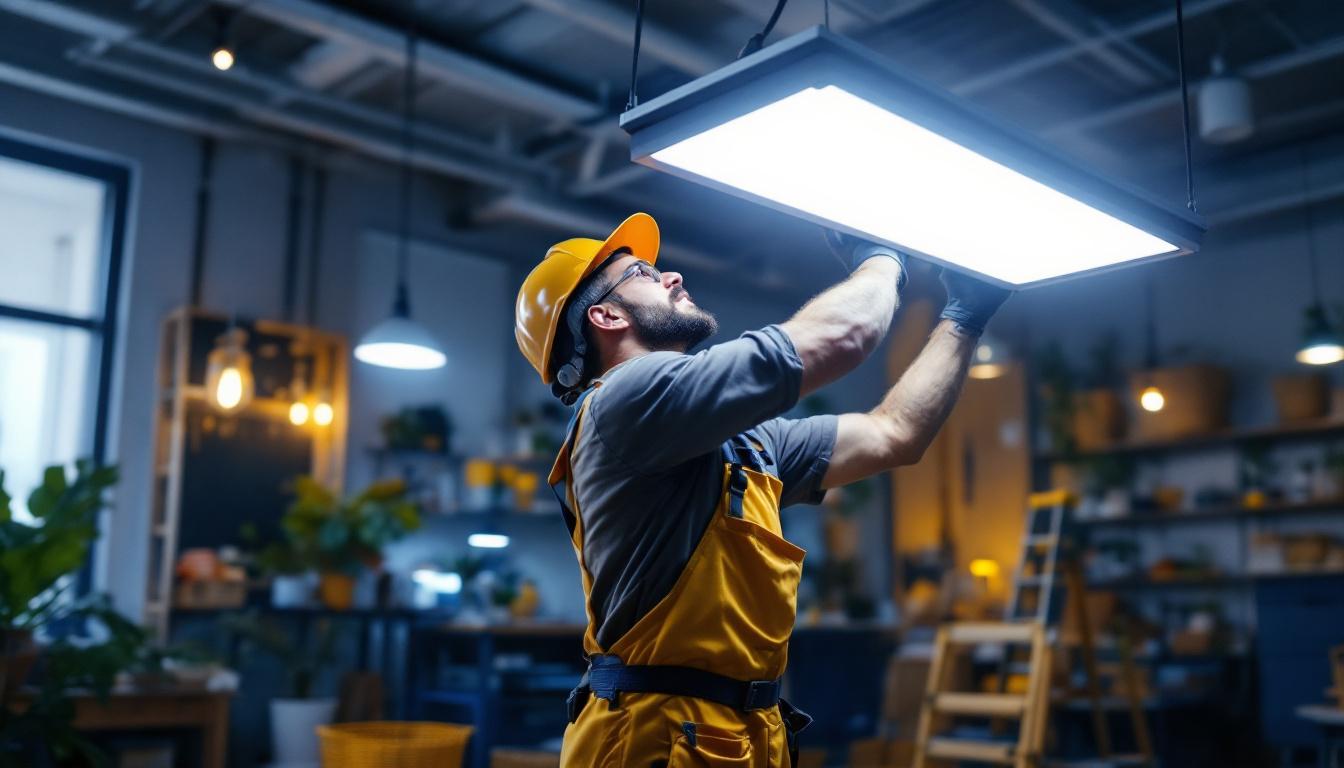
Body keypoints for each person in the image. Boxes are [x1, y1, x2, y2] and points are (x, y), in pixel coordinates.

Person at [514, 212, 1008, 767]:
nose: (673, 276)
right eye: (646, 274)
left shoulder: (742, 441)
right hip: (655, 738)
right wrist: (882, 257)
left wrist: (964, 317)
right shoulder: (624, 400)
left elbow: (894, 434)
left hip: (737, 735)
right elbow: (843, 336)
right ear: (604, 315)